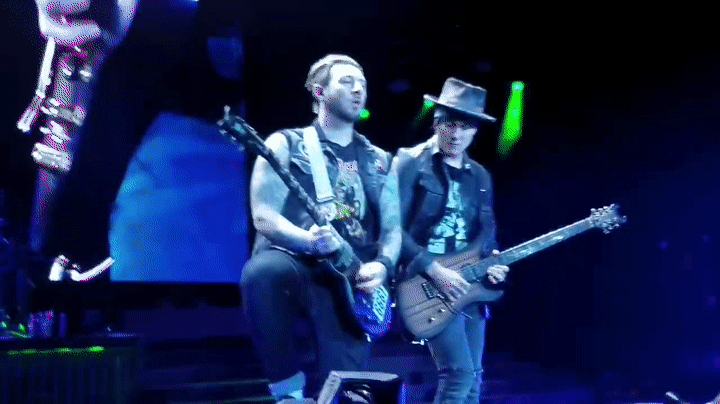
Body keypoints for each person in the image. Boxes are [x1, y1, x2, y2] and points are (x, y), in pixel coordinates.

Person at [239, 53, 401, 403]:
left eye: (362, 84)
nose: (358, 90)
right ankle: (288, 392)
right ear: (318, 91)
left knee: (348, 389)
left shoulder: (380, 160)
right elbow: (264, 215)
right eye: (346, 82)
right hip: (297, 260)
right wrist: (308, 241)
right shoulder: (286, 143)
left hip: (350, 279)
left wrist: (382, 266)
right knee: (262, 272)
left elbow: (392, 230)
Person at [394, 77, 510, 404]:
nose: (456, 134)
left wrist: (494, 261)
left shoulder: (481, 176)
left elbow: (486, 232)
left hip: (469, 283)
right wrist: (434, 270)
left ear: (476, 131)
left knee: (474, 380)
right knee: (459, 374)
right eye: (450, 124)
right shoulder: (410, 162)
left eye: (466, 126)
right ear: (436, 122)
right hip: (425, 282)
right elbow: (391, 229)